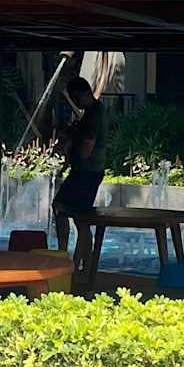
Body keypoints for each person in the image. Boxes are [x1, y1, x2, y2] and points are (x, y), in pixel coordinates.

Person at [51, 77, 106, 257]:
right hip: (89, 171)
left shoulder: (94, 115)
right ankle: (80, 260)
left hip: (86, 172)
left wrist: (71, 144)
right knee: (79, 217)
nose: (74, 102)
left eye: (76, 97)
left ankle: (66, 255)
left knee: (63, 208)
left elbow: (86, 149)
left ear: (85, 93)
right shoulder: (92, 112)